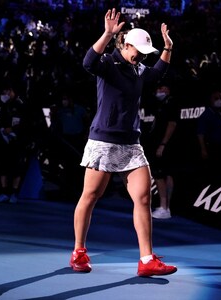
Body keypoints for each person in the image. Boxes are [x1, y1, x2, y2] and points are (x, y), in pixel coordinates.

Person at [70, 8, 177, 277]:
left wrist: (167, 48)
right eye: (137, 50)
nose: (140, 55)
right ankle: (79, 251)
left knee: (142, 197)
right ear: (126, 44)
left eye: (144, 52)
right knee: (90, 196)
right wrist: (107, 34)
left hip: (131, 144)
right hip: (103, 141)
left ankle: (147, 259)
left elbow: (157, 74)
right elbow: (87, 63)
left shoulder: (139, 69)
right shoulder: (108, 62)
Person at [143, 84, 179, 219]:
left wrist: (162, 144)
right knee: (167, 174)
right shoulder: (160, 105)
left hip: (164, 146)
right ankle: (167, 207)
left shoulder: (170, 104)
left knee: (159, 174)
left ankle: (164, 207)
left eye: (164, 88)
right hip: (163, 145)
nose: (161, 91)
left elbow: (172, 124)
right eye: (158, 89)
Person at [0, 83, 29, 204]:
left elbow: (26, 123)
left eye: (9, 91)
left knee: (16, 168)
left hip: (17, 141)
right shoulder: (4, 105)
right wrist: (3, 129)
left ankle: (14, 193)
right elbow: (0, 121)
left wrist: (13, 130)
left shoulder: (21, 105)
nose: (6, 94)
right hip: (4, 141)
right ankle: (4, 192)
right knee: (3, 167)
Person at [196, 89, 221, 183]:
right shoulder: (206, 115)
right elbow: (200, 133)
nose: (219, 100)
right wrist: (203, 149)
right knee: (216, 172)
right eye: (216, 98)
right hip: (214, 148)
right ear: (211, 100)